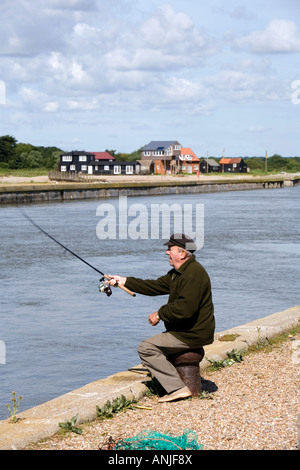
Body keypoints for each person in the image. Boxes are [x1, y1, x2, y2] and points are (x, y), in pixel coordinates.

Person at [108, 233, 215, 403]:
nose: (166, 252)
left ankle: (178, 388)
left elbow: (185, 309)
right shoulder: (178, 273)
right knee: (152, 346)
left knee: (146, 348)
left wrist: (159, 314)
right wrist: (124, 281)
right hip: (185, 331)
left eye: (169, 249)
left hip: (192, 333)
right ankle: (176, 382)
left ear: (182, 253)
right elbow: (154, 286)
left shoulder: (193, 274)